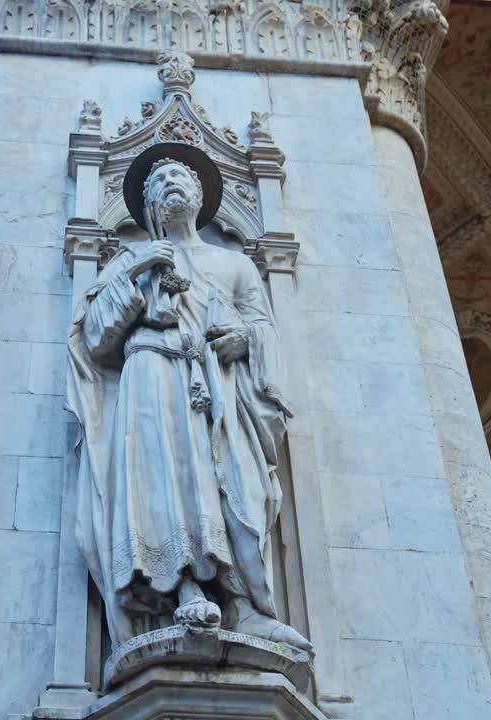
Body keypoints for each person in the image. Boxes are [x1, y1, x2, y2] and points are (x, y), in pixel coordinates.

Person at [67, 142, 310, 651]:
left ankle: (244, 605)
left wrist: (246, 340)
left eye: (181, 177)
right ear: (148, 206)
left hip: (218, 385)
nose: (170, 183)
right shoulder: (130, 259)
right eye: (159, 182)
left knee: (241, 489)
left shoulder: (234, 265)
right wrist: (136, 273)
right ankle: (183, 587)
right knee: (163, 481)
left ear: (200, 196)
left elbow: (264, 326)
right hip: (151, 375)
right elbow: (94, 339)